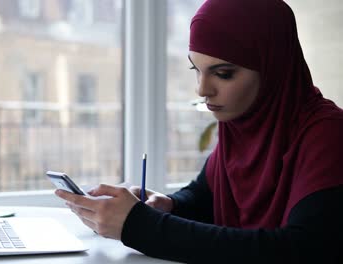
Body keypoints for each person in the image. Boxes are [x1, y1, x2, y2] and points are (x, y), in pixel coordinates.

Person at [55, 0, 343, 263]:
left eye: (223, 73)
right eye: (197, 70)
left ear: (273, 68)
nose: (202, 90)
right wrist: (166, 205)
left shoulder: (328, 133)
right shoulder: (243, 126)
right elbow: (203, 196)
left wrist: (138, 226)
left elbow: (303, 248)